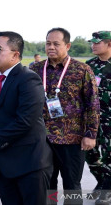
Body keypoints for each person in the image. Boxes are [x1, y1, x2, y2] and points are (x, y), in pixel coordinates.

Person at [0, 31, 53, 205]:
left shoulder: (29, 79)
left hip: (30, 164)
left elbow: (25, 121)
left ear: (15, 54)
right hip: (5, 164)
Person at [30, 27, 100, 203]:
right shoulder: (35, 69)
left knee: (72, 186)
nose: (51, 47)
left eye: (56, 44)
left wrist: (90, 134)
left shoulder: (81, 70)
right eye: (48, 43)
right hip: (43, 139)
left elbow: (93, 104)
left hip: (72, 140)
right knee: (47, 185)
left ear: (67, 45)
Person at [85, 31, 111, 204]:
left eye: (97, 42)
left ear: (109, 44)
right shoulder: (88, 65)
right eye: (92, 42)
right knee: (90, 154)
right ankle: (102, 182)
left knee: (110, 156)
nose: (93, 45)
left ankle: (107, 190)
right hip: (92, 119)